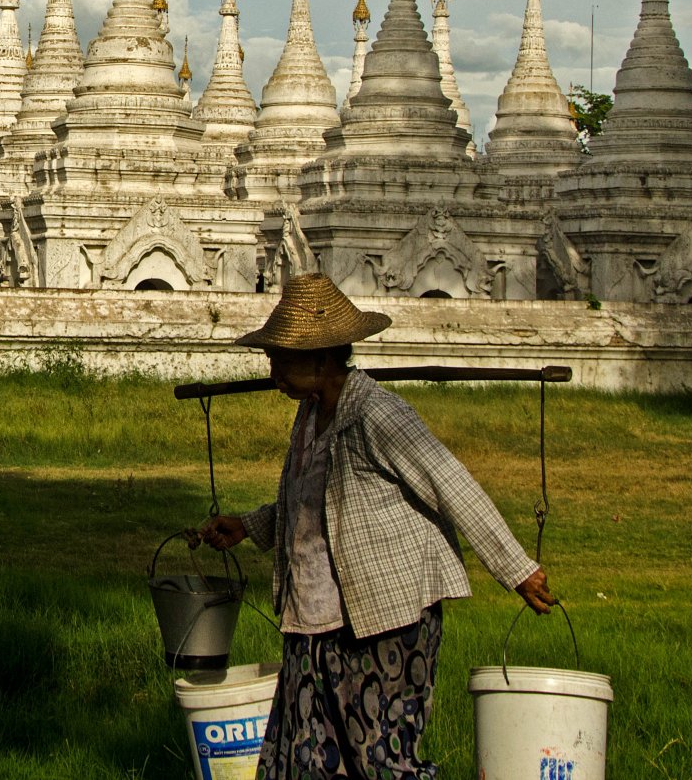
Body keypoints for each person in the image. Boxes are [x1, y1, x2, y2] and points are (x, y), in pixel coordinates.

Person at [201, 274, 555, 779]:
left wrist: (516, 570)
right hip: (314, 621)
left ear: (323, 360)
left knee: (381, 760)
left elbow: (451, 485)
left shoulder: (377, 414)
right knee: (306, 761)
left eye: (282, 357)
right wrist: (251, 525)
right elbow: (314, 501)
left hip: (384, 622)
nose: (273, 368)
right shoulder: (309, 414)